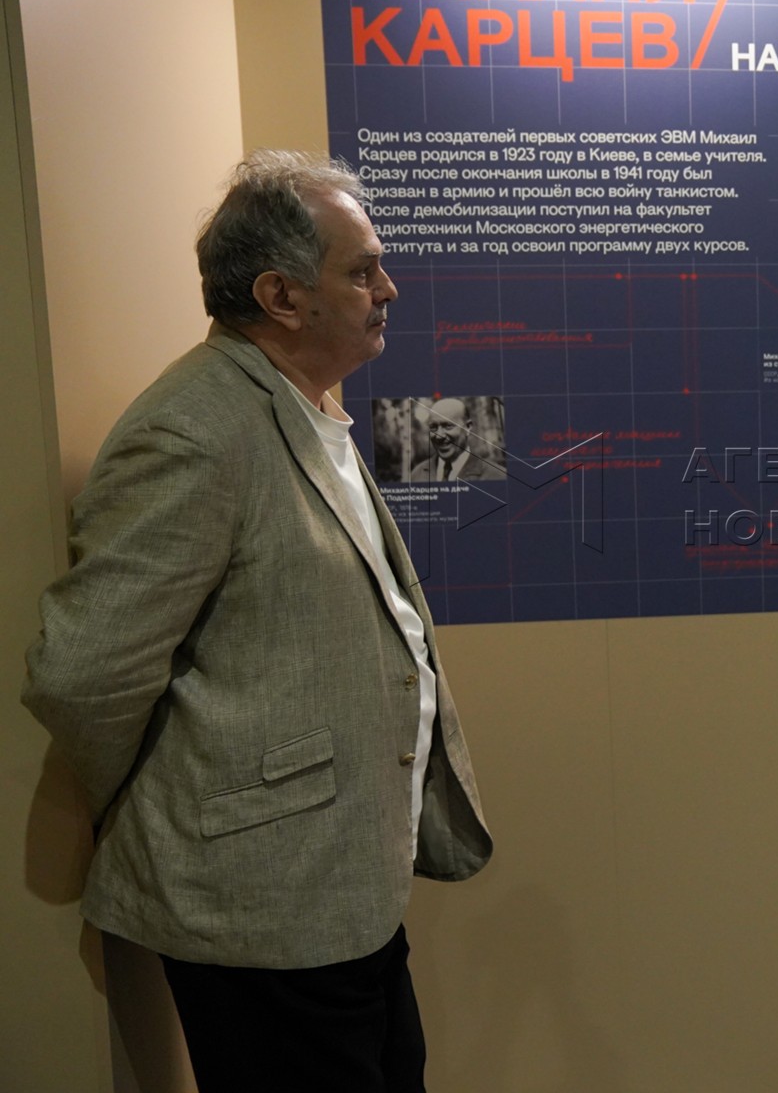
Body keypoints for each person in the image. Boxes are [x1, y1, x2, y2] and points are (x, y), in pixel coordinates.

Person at [21, 151, 492, 1093]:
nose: (388, 289)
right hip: (260, 903)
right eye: (362, 271)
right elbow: (83, 675)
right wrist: (179, 807)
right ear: (281, 296)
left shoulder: (299, 408)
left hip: (338, 891)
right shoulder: (194, 431)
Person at [409, 396, 506, 482]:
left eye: (448, 426)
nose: (439, 436)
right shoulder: (417, 474)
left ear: (467, 427)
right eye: (433, 427)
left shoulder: (497, 476)